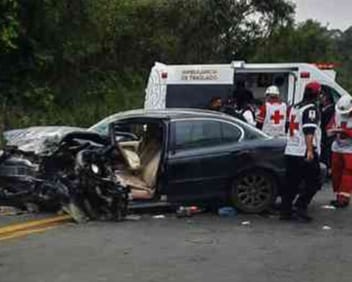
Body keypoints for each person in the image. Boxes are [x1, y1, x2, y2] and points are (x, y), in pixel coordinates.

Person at [280, 81, 322, 222]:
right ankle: (300, 207)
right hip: (303, 151)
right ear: (316, 93)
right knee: (314, 182)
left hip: (291, 149)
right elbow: (308, 131)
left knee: (291, 183)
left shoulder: (295, 107)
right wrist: (310, 150)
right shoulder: (311, 109)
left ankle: (285, 211)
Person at [327, 95, 352, 208]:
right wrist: (331, 131)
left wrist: (344, 131)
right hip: (337, 147)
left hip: (350, 149)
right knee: (336, 173)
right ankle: (338, 196)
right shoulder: (337, 114)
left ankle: (344, 198)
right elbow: (329, 126)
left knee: (347, 174)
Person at [320, 89, 335, 170]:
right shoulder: (322, 108)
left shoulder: (331, 110)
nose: (320, 97)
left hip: (327, 137)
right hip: (323, 135)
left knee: (327, 154)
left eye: (323, 95)